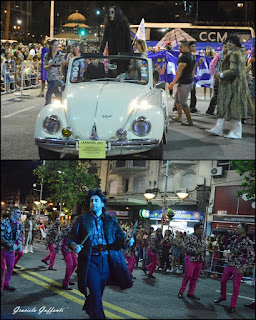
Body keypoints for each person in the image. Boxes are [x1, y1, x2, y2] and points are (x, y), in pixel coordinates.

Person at [67, 189, 134, 319]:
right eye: (91, 201)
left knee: (97, 293)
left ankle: (89, 308)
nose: (93, 203)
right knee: (96, 293)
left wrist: (127, 241)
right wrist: (74, 246)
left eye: (96, 200)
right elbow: (71, 238)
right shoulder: (82, 219)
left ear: (102, 204)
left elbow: (121, 238)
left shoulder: (111, 220)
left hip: (106, 261)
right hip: (90, 260)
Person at [205, 34, 254, 139]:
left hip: (234, 85)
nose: (227, 44)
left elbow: (234, 71)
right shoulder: (236, 53)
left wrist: (221, 74)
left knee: (235, 109)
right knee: (224, 106)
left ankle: (237, 132)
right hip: (231, 84)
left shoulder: (235, 54)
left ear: (234, 43)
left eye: (229, 42)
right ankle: (219, 128)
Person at [214, 223, 255, 313]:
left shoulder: (248, 242)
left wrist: (243, 268)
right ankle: (223, 296)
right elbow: (224, 244)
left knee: (236, 287)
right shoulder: (234, 238)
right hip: (230, 264)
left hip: (238, 267)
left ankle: (232, 305)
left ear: (243, 230)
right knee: (222, 280)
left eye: (237, 228)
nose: (235, 229)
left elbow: (251, 257)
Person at [168, 41, 195, 126]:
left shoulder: (184, 57)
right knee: (177, 100)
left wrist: (172, 83)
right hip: (188, 82)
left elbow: (179, 71)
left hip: (185, 83)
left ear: (186, 47)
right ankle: (179, 117)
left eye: (181, 47)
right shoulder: (191, 56)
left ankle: (189, 120)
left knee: (183, 102)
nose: (179, 48)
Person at [100, 6, 133, 75]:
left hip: (123, 55)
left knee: (122, 73)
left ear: (117, 13)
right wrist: (100, 53)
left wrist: (131, 56)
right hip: (112, 55)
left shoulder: (124, 25)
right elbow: (104, 40)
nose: (110, 14)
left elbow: (128, 41)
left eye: (112, 12)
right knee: (112, 74)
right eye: (109, 13)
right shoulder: (108, 25)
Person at [178, 223, 206, 300]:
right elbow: (186, 248)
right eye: (201, 228)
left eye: (203, 228)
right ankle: (181, 291)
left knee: (195, 277)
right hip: (191, 259)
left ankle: (191, 292)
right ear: (196, 229)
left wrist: (204, 261)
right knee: (188, 275)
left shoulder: (203, 239)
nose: (202, 230)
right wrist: (197, 251)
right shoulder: (189, 237)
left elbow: (204, 250)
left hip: (199, 260)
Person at [1, 207, 23, 293]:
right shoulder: (3, 223)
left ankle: (7, 284)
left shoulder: (19, 225)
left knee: (10, 267)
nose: (20, 214)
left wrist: (20, 245)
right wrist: (10, 245)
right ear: (13, 213)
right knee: (2, 268)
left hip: (12, 250)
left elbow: (19, 237)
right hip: (3, 249)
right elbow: (1, 237)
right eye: (18, 212)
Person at [206, 40, 229, 115]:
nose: (226, 48)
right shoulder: (219, 55)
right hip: (218, 79)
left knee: (225, 95)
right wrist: (215, 74)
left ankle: (222, 111)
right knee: (216, 95)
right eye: (225, 46)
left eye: (228, 46)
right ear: (222, 47)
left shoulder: (230, 55)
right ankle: (210, 110)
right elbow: (211, 65)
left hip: (226, 78)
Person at [55, 215, 78, 290]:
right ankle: (65, 283)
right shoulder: (68, 228)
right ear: (72, 220)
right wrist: (57, 247)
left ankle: (67, 280)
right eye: (76, 219)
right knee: (70, 265)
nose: (77, 221)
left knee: (75, 264)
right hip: (65, 247)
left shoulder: (76, 228)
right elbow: (59, 237)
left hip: (72, 248)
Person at [44, 39, 66, 106]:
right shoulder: (46, 55)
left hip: (57, 77)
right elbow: (45, 67)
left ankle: (47, 105)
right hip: (50, 76)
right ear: (51, 46)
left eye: (57, 45)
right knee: (57, 93)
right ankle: (62, 105)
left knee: (49, 93)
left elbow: (63, 63)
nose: (56, 47)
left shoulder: (60, 55)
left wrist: (68, 60)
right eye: (55, 45)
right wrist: (48, 65)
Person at [188, 41, 204, 113]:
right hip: (186, 77)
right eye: (192, 46)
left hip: (191, 77)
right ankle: (176, 108)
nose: (194, 48)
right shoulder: (187, 56)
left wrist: (199, 63)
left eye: (194, 46)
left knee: (193, 92)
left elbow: (193, 67)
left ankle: (192, 107)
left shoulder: (192, 56)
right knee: (182, 93)